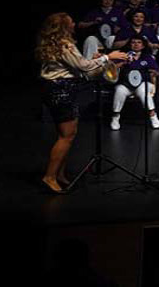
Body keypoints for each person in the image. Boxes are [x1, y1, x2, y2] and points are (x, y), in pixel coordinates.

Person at [36, 13, 128, 193]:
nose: (74, 24)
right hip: (61, 90)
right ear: (64, 26)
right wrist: (107, 57)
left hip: (59, 89)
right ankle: (49, 176)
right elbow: (83, 66)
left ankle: (59, 173)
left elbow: (82, 68)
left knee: (66, 135)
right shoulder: (64, 45)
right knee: (67, 136)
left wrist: (101, 62)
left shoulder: (57, 44)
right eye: (71, 22)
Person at [110, 36, 159, 130]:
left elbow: (157, 72)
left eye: (139, 42)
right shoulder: (123, 56)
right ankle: (115, 117)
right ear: (130, 45)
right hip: (126, 84)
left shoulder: (148, 57)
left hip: (143, 83)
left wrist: (151, 72)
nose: (136, 44)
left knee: (143, 90)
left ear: (143, 46)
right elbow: (111, 69)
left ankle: (153, 115)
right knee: (119, 90)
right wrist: (124, 62)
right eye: (133, 42)